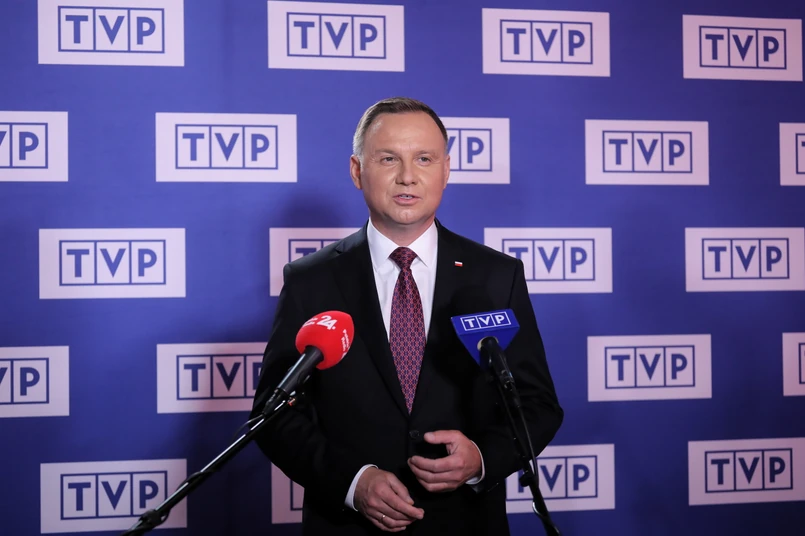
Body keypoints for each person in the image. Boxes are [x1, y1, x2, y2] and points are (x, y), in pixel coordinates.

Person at [251, 97, 563, 535]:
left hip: (465, 523)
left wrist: (481, 459)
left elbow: (536, 404)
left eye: (424, 159)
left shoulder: (496, 276)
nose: (407, 176)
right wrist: (352, 482)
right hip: (349, 527)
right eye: (388, 159)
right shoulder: (310, 280)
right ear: (357, 171)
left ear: (446, 170)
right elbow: (274, 415)